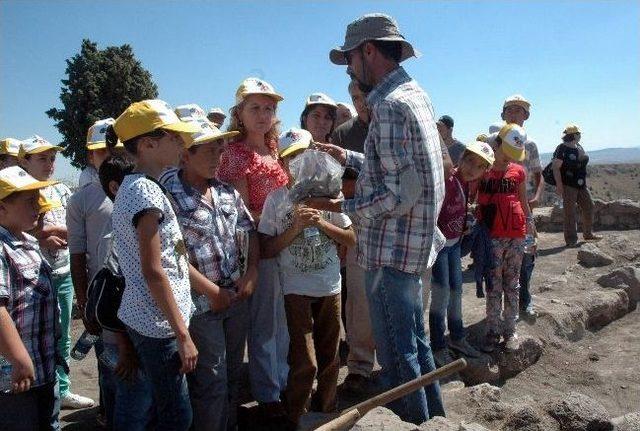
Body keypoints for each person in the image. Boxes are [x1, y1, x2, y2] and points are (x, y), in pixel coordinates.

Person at [310, 13, 447, 424]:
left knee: (397, 354)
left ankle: (417, 423)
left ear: (368, 51)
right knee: (416, 343)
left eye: (350, 59)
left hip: (391, 251)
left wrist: (339, 209)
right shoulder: (414, 95)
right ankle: (437, 419)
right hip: (414, 246)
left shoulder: (387, 106)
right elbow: (398, 169)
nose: (349, 68)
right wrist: (346, 156)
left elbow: (399, 195)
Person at [109, 99, 232, 430]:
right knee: (177, 416)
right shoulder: (145, 194)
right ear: (148, 144)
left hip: (153, 318)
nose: (182, 143)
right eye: (174, 138)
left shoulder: (138, 186)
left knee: (160, 407)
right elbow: (153, 269)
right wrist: (182, 334)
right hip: (158, 324)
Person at [162, 104, 258, 431]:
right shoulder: (168, 196)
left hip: (234, 301)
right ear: (185, 155)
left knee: (231, 376)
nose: (217, 155)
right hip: (202, 305)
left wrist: (251, 275)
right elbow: (170, 257)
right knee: (211, 381)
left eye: (219, 147)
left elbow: (250, 232)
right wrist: (211, 290)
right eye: (208, 149)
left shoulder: (226, 192)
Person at [259, 128, 356, 429]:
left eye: (304, 155)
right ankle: (296, 415)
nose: (299, 163)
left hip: (330, 286)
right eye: (292, 158)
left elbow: (351, 238)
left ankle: (326, 411)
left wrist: (323, 225)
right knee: (305, 359)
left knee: (331, 357)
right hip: (295, 289)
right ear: (282, 163)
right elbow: (266, 248)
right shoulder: (276, 200)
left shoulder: (331, 195)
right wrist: (295, 227)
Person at [217, 78, 290, 420]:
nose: (263, 115)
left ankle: (280, 381)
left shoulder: (275, 150)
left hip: (284, 244)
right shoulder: (235, 154)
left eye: (269, 108)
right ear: (240, 113)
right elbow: (240, 214)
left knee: (281, 320)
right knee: (263, 323)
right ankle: (268, 395)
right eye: (255, 108)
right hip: (258, 248)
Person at [18, 135, 95, 409]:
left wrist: (46, 232)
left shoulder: (60, 190)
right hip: (29, 278)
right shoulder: (15, 191)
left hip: (61, 273)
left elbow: (74, 227)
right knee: (31, 337)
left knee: (61, 335)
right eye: (42, 158)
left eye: (52, 158)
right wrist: (44, 234)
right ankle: (33, 395)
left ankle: (61, 390)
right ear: (23, 160)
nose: (50, 164)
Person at [97, 155, 156, 431]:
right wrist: (125, 347)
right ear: (115, 188)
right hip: (124, 341)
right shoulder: (114, 239)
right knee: (132, 408)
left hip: (136, 335)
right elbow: (112, 298)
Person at [0, 166, 61, 430]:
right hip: (16, 374)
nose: (37, 207)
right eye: (29, 201)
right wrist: (19, 359)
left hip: (43, 365)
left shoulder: (27, 241)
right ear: (2, 208)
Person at [429, 141, 494, 366]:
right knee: (441, 295)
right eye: (469, 161)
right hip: (440, 247)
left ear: (485, 171)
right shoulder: (448, 181)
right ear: (461, 158)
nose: (472, 168)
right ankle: (437, 346)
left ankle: (457, 338)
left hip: (454, 245)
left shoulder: (465, 183)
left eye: (479, 166)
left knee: (456, 292)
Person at [330, 79, 375, 394]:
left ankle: (398, 366)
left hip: (397, 228)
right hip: (359, 226)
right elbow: (339, 185)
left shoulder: (396, 123)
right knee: (358, 301)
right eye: (356, 97)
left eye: (366, 96)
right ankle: (359, 366)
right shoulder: (344, 134)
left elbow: (442, 165)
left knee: (399, 300)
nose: (362, 103)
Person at [477, 124, 533, 353]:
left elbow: (523, 201)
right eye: (508, 148)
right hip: (492, 237)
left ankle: (510, 330)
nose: (511, 155)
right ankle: (493, 329)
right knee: (494, 285)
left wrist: (531, 231)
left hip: (517, 234)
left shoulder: (518, 171)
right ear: (497, 143)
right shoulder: (483, 169)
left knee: (512, 284)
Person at [500, 94, 543, 319]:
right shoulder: (494, 141)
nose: (513, 113)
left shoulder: (531, 145)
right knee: (502, 259)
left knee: (527, 255)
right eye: (510, 109)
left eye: (519, 110)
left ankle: (524, 299)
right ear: (503, 114)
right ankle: (506, 307)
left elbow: (539, 174)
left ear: (526, 116)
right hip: (500, 210)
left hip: (524, 211)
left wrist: (536, 196)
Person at [552, 124, 601, 247]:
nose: (580, 135)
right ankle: (571, 239)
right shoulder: (562, 148)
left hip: (581, 185)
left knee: (589, 206)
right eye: (578, 133)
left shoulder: (578, 146)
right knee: (570, 212)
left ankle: (588, 234)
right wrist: (559, 185)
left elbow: (581, 163)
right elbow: (556, 167)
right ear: (573, 135)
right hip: (568, 185)